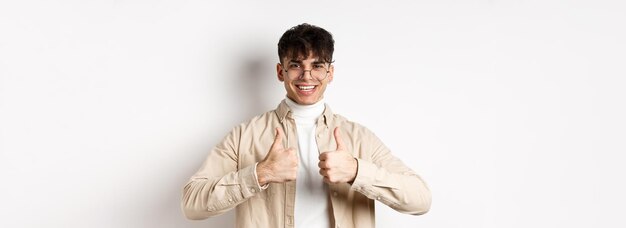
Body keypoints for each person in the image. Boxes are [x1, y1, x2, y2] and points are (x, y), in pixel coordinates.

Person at [182, 23, 431, 228]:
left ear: (330, 73)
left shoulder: (359, 138)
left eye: (317, 66)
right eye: (296, 65)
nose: (307, 76)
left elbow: (421, 199)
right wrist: (260, 174)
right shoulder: (243, 136)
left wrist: (357, 171)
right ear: (281, 72)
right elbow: (192, 203)